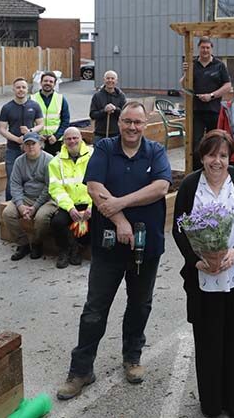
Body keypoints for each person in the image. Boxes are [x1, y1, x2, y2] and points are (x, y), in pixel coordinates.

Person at [57, 101, 171, 400]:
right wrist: (120, 222)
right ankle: (81, 370)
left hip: (147, 247)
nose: (132, 127)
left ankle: (132, 358)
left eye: (138, 122)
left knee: (139, 304)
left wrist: (119, 203)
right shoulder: (105, 148)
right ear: (119, 122)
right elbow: (95, 188)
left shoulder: (155, 152)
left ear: (146, 124)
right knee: (95, 309)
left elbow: (160, 187)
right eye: (127, 121)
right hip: (108, 246)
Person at [172, 130, 234, 418]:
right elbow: (180, 228)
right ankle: (212, 403)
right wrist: (195, 260)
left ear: (230, 157)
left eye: (223, 155)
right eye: (212, 155)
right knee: (209, 340)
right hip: (203, 278)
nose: (217, 161)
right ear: (202, 156)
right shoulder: (191, 185)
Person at [2, 132, 57, 261]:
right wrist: (20, 205)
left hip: (47, 199)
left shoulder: (50, 160)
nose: (31, 147)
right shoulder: (19, 161)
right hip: (26, 196)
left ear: (40, 145)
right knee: (7, 213)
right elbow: (15, 184)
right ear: (23, 147)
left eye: (34, 144)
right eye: (27, 144)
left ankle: (37, 243)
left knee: (41, 217)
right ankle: (23, 243)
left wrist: (36, 207)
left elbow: (49, 187)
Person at [180, 36, 232, 170]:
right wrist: (186, 73)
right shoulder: (192, 64)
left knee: (214, 142)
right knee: (196, 143)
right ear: (199, 48)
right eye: (202, 47)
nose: (205, 50)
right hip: (196, 111)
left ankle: (213, 168)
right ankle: (197, 171)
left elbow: (227, 85)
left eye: (207, 47)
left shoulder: (219, 65)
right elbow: (183, 86)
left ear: (211, 49)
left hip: (213, 110)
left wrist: (212, 95)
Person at [48, 127, 93, 269]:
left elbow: (101, 183)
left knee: (98, 222)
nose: (72, 141)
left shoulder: (94, 156)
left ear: (81, 138)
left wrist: (92, 206)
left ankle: (79, 247)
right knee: (57, 222)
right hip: (70, 204)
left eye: (75, 138)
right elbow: (56, 189)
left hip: (90, 203)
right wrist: (70, 207)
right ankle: (65, 249)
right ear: (63, 141)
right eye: (68, 139)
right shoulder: (56, 162)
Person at [0, 77, 43, 201]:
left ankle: (27, 206)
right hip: (13, 149)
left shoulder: (34, 106)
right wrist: (17, 140)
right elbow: (2, 129)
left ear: (27, 89)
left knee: (31, 178)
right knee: (12, 179)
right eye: (18, 87)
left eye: (23, 87)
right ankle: (8, 207)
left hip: (31, 149)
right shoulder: (7, 108)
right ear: (13, 89)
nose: (21, 90)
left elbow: (40, 124)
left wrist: (30, 132)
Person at [32, 71, 71, 155]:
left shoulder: (61, 99)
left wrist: (56, 136)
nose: (48, 83)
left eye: (51, 81)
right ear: (41, 82)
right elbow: (28, 120)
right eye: (45, 81)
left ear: (54, 84)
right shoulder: (32, 99)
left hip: (55, 141)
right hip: (37, 140)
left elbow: (65, 121)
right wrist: (36, 135)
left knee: (55, 166)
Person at [89, 70, 127, 143]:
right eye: (108, 78)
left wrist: (115, 109)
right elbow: (92, 115)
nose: (110, 80)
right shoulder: (97, 96)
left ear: (116, 81)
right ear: (104, 80)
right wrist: (104, 111)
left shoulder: (121, 96)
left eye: (112, 78)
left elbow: (125, 115)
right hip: (100, 134)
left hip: (116, 133)